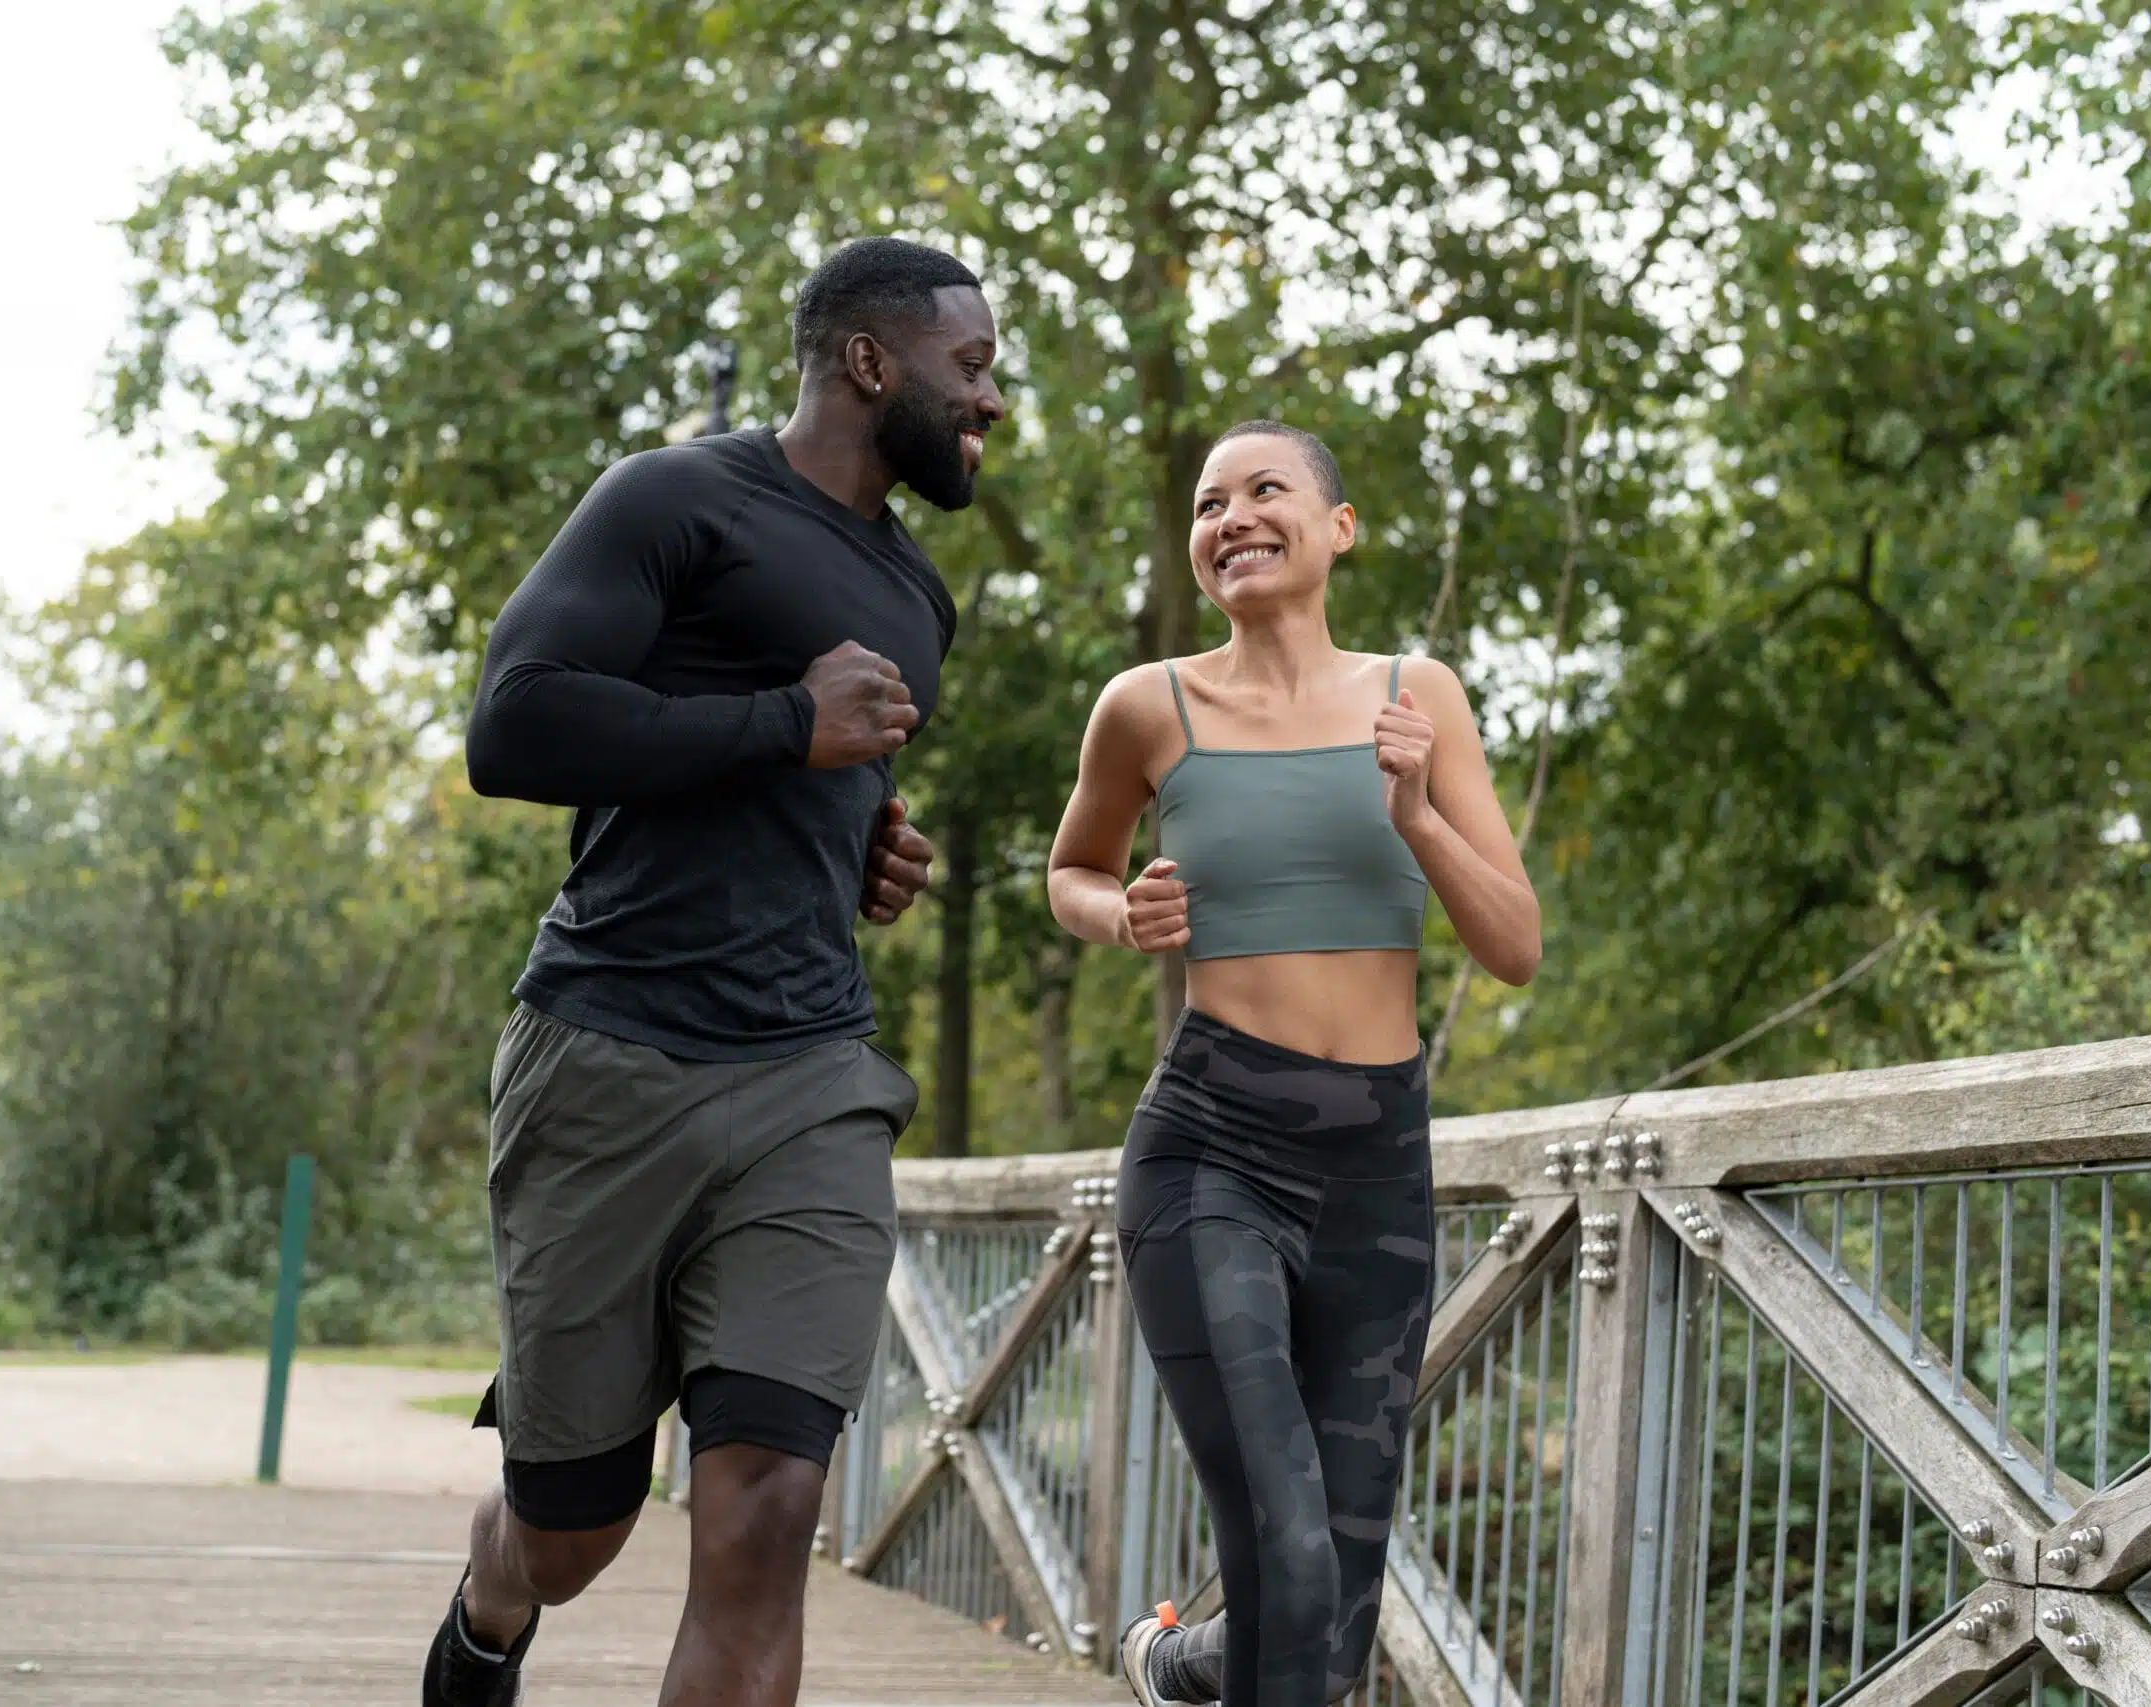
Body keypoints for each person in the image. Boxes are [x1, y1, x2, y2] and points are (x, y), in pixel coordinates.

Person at [423, 236, 1008, 1707]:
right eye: (974, 365)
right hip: (609, 1046)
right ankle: (497, 1591)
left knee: (764, 1509)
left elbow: (822, 779)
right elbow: (518, 727)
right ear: (872, 362)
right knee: (574, 1525)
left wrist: (872, 849)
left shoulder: (920, 594)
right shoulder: (674, 496)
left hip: (810, 1072)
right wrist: (779, 729)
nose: (993, 399)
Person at [1044, 421, 1542, 1707]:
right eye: (1210, 503)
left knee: (1332, 1597)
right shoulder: (1147, 706)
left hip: (1377, 1166)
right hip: (1214, 1147)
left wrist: (1417, 816)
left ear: (1339, 526)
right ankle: (1201, 1659)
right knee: (1291, 1554)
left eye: (1268, 490)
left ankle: (1185, 1665)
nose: (1233, 517)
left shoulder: (1414, 697)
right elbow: (1072, 870)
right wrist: (1119, 915)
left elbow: (1516, 945)